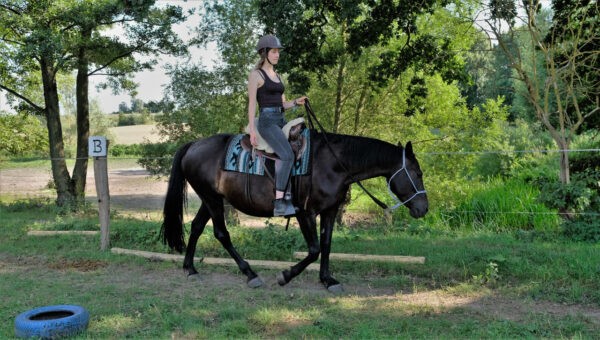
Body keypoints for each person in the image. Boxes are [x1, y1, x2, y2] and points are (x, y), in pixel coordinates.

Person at [247, 34, 307, 216]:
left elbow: (282, 104)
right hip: (266, 122)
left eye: (278, 52)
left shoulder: (278, 76)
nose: (277, 55)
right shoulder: (255, 75)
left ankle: (292, 194)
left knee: (301, 146)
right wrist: (252, 130)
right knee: (287, 155)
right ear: (264, 53)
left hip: (281, 120)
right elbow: (251, 104)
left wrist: (296, 102)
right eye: (274, 52)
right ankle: (279, 202)